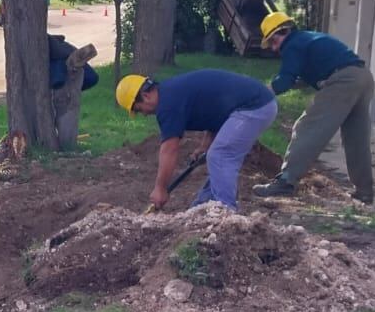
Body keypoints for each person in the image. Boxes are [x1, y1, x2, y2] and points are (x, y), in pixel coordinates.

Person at [251, 11, 375, 203]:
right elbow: (302, 76)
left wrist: (261, 94)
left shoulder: (292, 45)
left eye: (273, 42)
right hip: (363, 77)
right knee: (356, 138)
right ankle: (364, 192)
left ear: (283, 32)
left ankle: (285, 181)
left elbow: (285, 80)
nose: (274, 49)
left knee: (307, 127)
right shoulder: (307, 39)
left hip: (343, 81)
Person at [115, 69, 277, 211]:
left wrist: (160, 188)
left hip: (255, 106)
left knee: (219, 156)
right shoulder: (171, 93)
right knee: (215, 157)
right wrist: (205, 145)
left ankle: (226, 215)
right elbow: (216, 113)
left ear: (145, 96)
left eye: (138, 108)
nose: (143, 113)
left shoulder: (167, 105)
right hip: (256, 103)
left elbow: (169, 150)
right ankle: (201, 209)